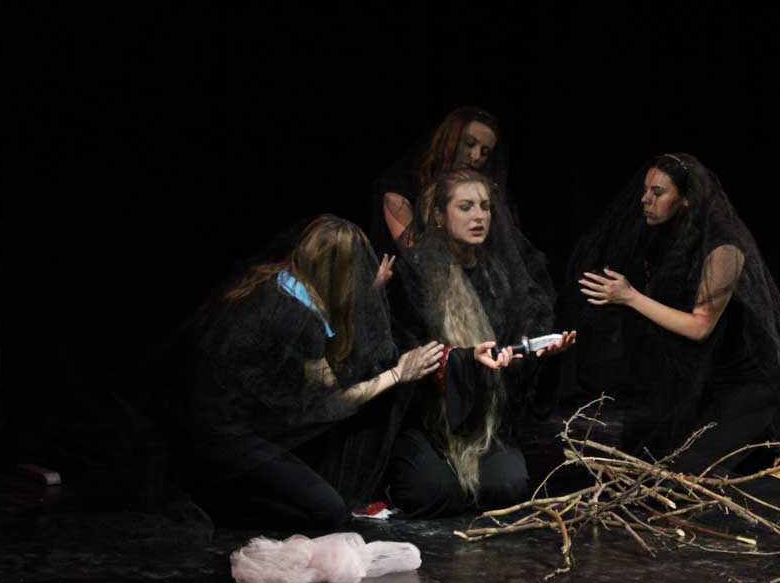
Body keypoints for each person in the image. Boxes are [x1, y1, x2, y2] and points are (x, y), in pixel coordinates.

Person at [166, 215, 445, 529]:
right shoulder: (297, 318)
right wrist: (398, 373)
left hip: (208, 420)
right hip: (226, 436)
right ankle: (220, 502)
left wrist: (369, 290)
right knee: (329, 511)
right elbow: (335, 400)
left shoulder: (277, 280)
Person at [570, 153, 780, 474]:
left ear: (686, 199)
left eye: (658, 192)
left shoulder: (724, 246)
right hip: (700, 377)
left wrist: (629, 296)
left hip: (741, 382)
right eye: (645, 190)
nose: (645, 199)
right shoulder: (665, 236)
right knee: (645, 462)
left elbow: (700, 326)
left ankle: (756, 445)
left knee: (686, 472)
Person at [388, 168, 575, 517]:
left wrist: (535, 353)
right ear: (440, 216)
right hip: (429, 418)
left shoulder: (499, 272)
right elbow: (403, 347)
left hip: (483, 417)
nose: (479, 216)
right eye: (466, 207)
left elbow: (512, 342)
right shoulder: (415, 272)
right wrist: (463, 359)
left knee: (508, 487)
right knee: (431, 493)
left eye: (485, 207)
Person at [372, 106, 507, 254]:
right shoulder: (403, 184)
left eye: (484, 152)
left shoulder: (483, 193)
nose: (475, 156)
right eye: (469, 143)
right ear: (450, 139)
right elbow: (416, 254)